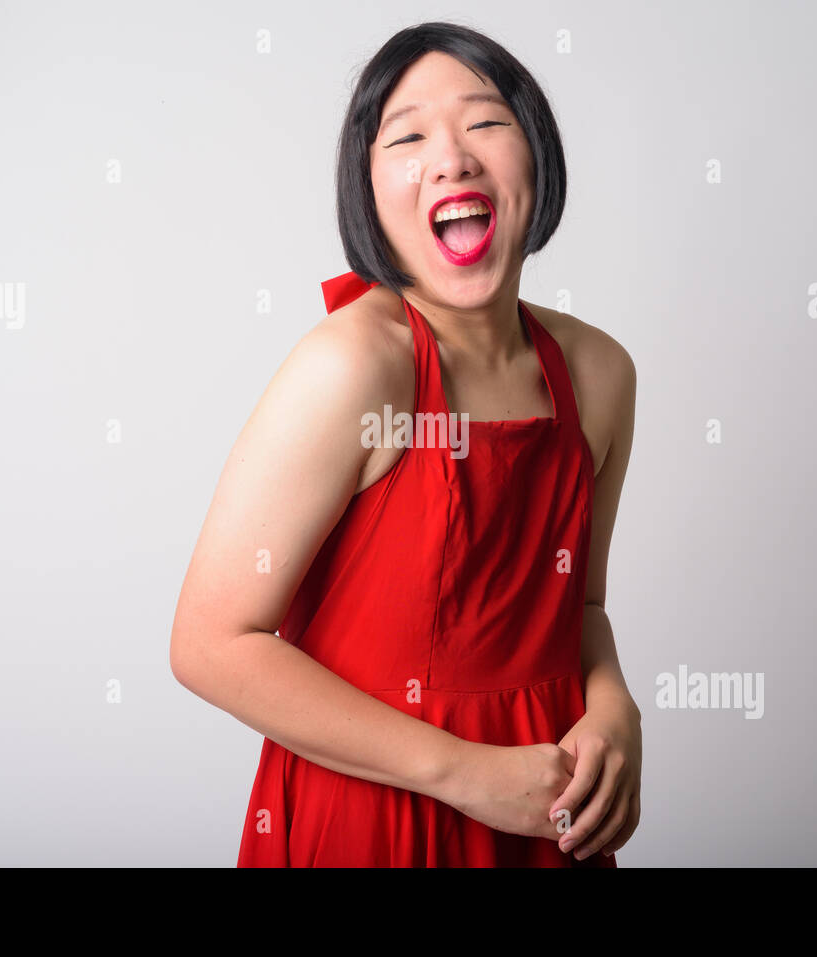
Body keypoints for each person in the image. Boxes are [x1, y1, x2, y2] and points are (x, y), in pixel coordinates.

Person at [170, 21, 641, 867]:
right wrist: (462, 772)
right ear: (370, 190)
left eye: (487, 122)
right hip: (374, 819)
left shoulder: (600, 373)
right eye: (409, 135)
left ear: (537, 155)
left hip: (544, 807)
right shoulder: (356, 364)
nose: (453, 156)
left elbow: (584, 609)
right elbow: (210, 643)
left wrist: (614, 708)